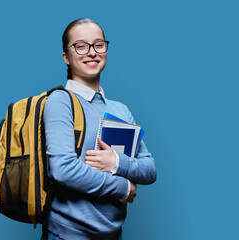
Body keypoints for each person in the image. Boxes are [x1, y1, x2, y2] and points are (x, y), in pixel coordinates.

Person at [42, 18, 157, 240]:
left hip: (114, 235)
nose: (92, 52)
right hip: (67, 236)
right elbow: (62, 169)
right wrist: (122, 188)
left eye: (99, 44)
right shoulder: (60, 101)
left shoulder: (121, 110)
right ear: (66, 57)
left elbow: (150, 169)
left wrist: (115, 162)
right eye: (81, 46)